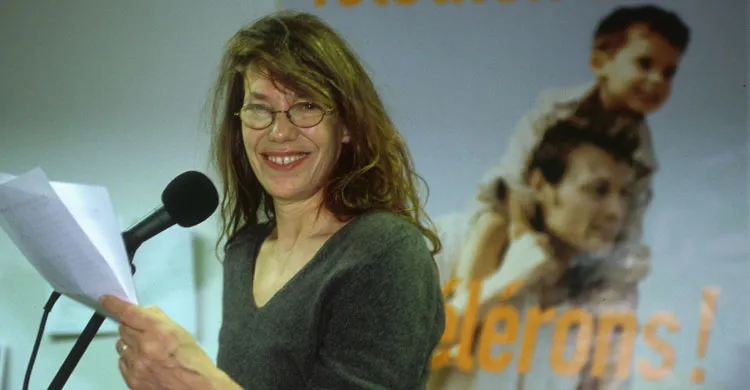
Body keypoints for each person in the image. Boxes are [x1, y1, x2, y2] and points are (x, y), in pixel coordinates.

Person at [99, 11, 446, 390]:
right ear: (240, 125)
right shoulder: (244, 251)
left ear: (346, 126)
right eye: (260, 109)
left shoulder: (385, 252)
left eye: (307, 106)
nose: (280, 132)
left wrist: (200, 383)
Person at [428, 118, 641, 390]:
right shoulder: (449, 243)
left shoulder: (591, 308)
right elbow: (393, 347)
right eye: (597, 190)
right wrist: (504, 281)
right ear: (540, 185)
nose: (616, 211)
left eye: (624, 194)